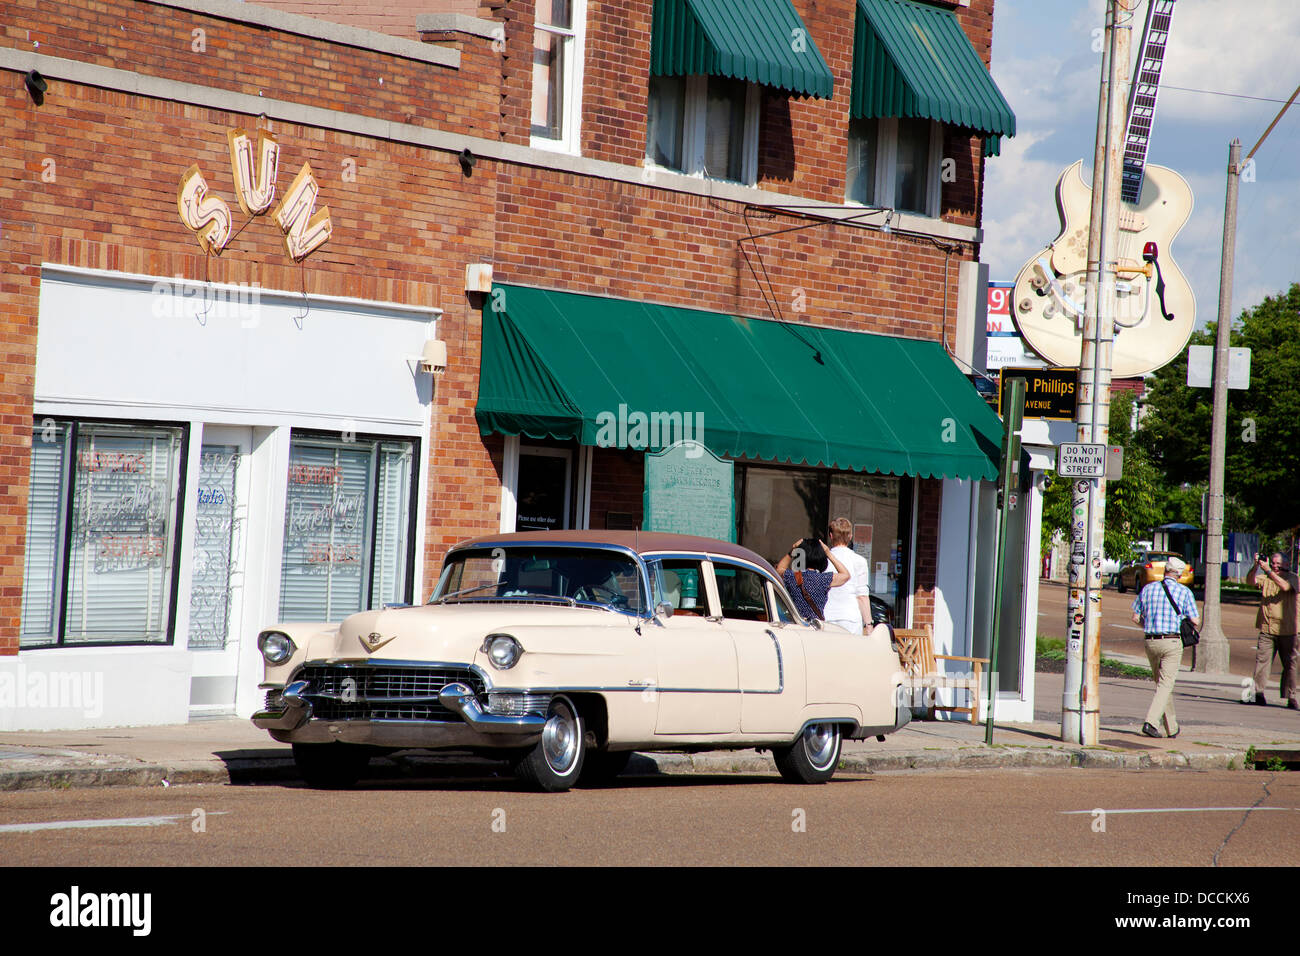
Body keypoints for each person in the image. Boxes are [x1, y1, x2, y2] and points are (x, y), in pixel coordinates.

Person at [1130, 555, 1199, 738]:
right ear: (1178, 574)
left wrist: (1150, 626)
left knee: (1162, 685)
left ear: (1165, 570)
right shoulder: (1184, 592)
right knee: (1165, 684)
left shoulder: (1148, 589)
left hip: (1150, 641)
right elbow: (1195, 620)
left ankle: (1172, 727)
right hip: (1172, 642)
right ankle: (1151, 722)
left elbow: (1135, 617)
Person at [1245, 552, 1298, 708]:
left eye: (1278, 563)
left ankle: (1291, 697)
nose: (1275, 566)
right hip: (1267, 628)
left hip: (1289, 630)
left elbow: (1285, 586)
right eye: (1273, 563)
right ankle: (1258, 693)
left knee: (1290, 665)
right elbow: (1250, 581)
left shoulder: (1294, 578)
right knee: (1262, 662)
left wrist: (1268, 570)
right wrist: (1256, 566)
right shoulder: (1266, 578)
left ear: (1287, 565)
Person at [775, 537, 849, 622]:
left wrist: (793, 549)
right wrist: (828, 553)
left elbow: (779, 569)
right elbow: (845, 575)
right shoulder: (823, 579)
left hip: (796, 623)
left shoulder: (793, 576)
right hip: (815, 625)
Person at [823, 517, 873, 635]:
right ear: (850, 537)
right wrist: (868, 624)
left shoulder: (823, 561)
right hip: (850, 617)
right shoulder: (859, 561)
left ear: (830, 536)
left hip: (826, 616)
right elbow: (862, 596)